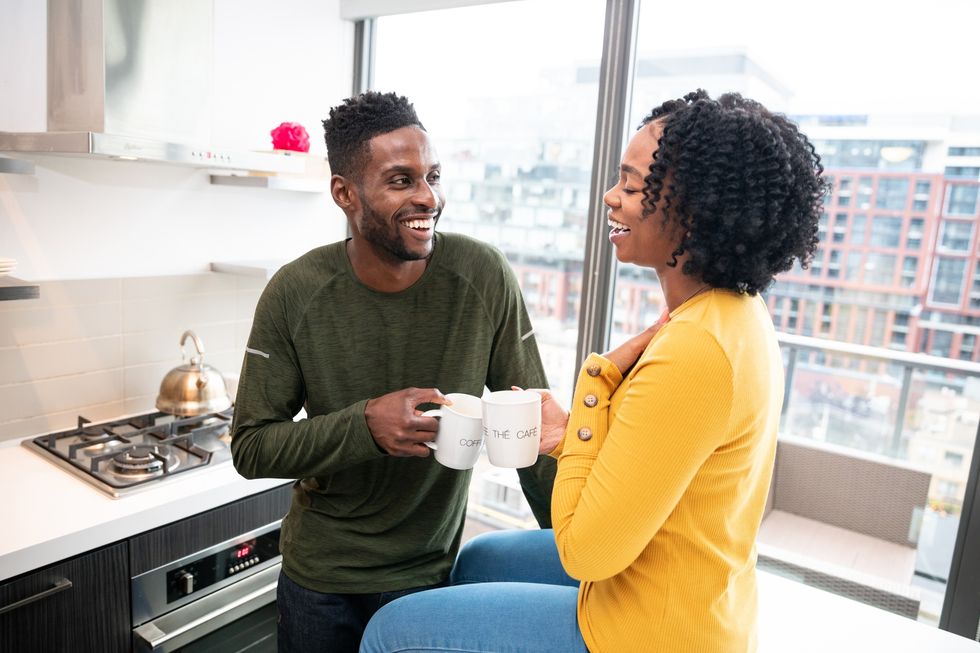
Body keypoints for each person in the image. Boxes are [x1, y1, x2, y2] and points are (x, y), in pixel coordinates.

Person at [359, 89, 826, 653]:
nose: (611, 196)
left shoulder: (694, 350)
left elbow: (586, 551)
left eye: (631, 185)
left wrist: (590, 394)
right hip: (686, 587)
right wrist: (564, 434)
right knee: (481, 557)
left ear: (695, 212)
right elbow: (652, 459)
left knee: (391, 631)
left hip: (650, 631)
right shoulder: (731, 312)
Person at [230, 90, 557, 653]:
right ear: (344, 194)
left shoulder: (482, 275)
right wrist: (366, 426)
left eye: (432, 176)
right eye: (402, 181)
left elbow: (533, 426)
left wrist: (582, 550)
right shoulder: (295, 292)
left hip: (425, 578)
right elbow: (252, 447)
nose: (428, 197)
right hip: (319, 582)